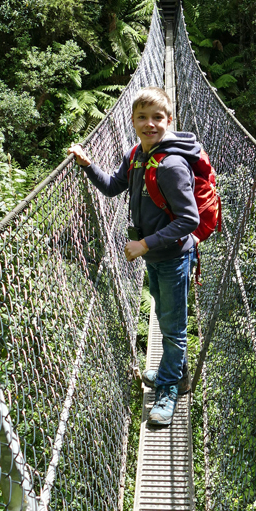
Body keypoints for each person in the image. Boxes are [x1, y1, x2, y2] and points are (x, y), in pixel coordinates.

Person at [67, 87, 200, 425]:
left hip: (171, 257)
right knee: (165, 314)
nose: (150, 124)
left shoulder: (171, 166)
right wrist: (88, 165)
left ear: (169, 121)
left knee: (172, 326)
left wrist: (145, 244)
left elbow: (189, 220)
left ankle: (169, 388)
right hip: (155, 256)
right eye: (142, 117)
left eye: (157, 118)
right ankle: (176, 373)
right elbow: (113, 186)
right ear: (132, 121)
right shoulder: (137, 155)